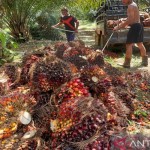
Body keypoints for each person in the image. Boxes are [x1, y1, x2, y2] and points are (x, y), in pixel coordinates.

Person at [113, 0, 148, 68]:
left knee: (129, 44)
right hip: (139, 26)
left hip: (135, 27)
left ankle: (126, 64)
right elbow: (132, 18)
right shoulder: (134, 4)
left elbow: (130, 20)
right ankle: (145, 62)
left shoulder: (130, 6)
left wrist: (118, 26)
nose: (122, 0)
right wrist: (124, 21)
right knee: (140, 43)